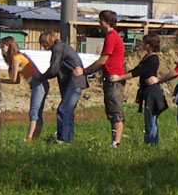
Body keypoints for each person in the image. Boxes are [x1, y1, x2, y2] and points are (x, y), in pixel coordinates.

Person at [75, 10, 127, 147]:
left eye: (100, 21)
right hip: (110, 77)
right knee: (111, 109)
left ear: (106, 22)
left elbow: (103, 60)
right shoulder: (113, 36)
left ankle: (117, 142)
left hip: (114, 78)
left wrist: (85, 71)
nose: (99, 24)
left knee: (115, 109)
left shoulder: (111, 37)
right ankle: (114, 140)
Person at [111, 32, 167, 146]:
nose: (143, 44)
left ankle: (152, 144)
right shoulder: (147, 57)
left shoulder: (153, 58)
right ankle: (150, 142)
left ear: (150, 44)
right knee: (149, 119)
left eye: (145, 43)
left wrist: (119, 78)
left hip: (152, 92)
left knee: (151, 120)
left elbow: (137, 72)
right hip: (147, 91)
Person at [36, 30, 88, 143]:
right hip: (75, 82)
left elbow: (54, 69)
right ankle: (69, 139)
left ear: (50, 41)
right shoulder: (63, 47)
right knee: (68, 111)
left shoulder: (58, 48)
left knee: (63, 110)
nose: (43, 46)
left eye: (44, 43)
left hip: (74, 82)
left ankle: (63, 139)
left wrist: (41, 77)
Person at [1, 36, 49, 142]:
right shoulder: (19, 57)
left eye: (3, 46)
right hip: (38, 83)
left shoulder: (16, 58)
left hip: (38, 84)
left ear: (10, 46)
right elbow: (17, 81)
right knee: (37, 113)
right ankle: (34, 139)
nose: (2, 48)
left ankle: (29, 138)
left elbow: (13, 79)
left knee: (34, 112)